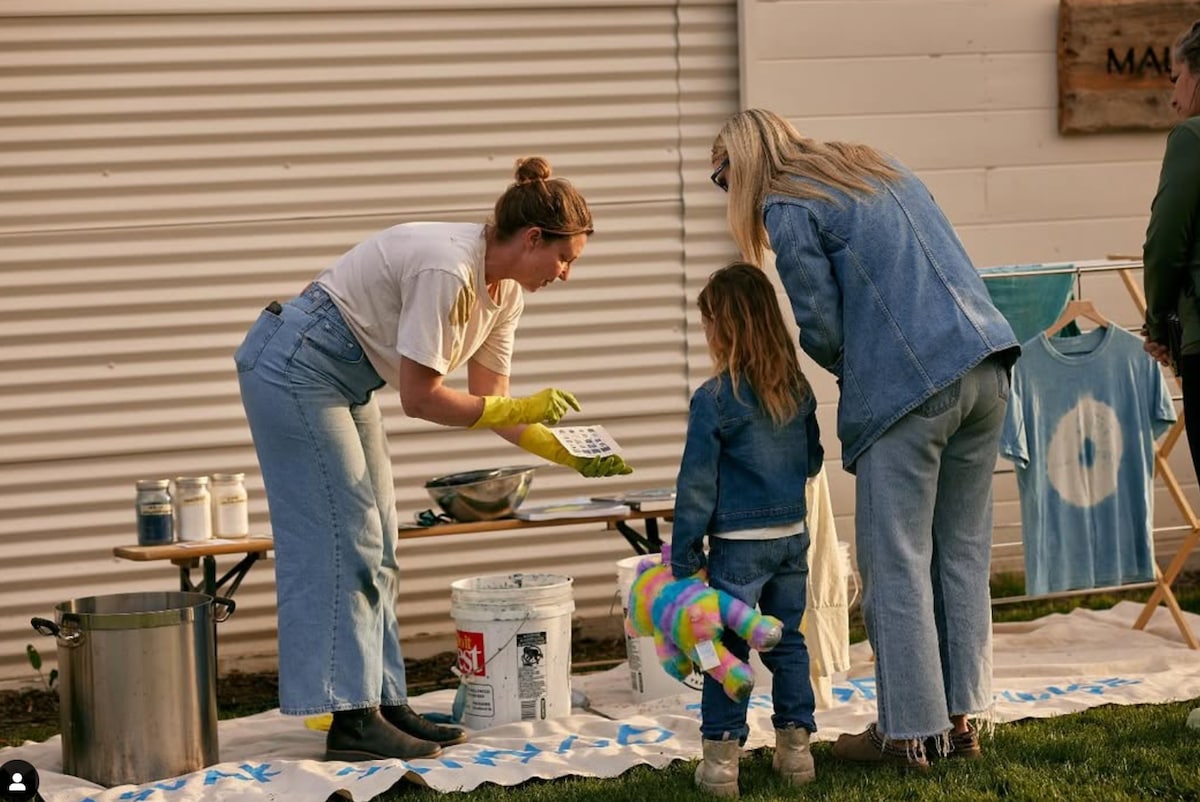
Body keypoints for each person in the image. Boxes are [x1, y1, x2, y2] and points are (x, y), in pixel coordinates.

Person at [234, 156, 632, 762]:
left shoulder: (505, 295)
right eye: (564, 258)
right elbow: (422, 399)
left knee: (380, 544)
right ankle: (351, 721)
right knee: (345, 541)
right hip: (295, 366)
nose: (566, 274)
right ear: (532, 239)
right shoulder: (449, 268)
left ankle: (384, 703)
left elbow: (492, 402)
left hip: (347, 378)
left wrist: (561, 451)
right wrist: (518, 408)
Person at [710, 109, 1019, 769]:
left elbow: (821, 324)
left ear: (743, 164)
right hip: (988, 363)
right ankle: (961, 724)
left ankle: (906, 735)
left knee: (896, 561)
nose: (725, 191)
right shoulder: (872, 165)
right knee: (959, 555)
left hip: (912, 388)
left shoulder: (788, 203)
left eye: (721, 177)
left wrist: (858, 371)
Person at [670, 262, 824, 797]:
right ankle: (797, 754)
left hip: (737, 551)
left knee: (725, 650)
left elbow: (696, 487)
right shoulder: (798, 390)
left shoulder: (713, 398)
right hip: (791, 538)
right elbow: (812, 461)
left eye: (707, 322)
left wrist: (684, 558)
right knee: (788, 641)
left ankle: (721, 766)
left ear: (724, 327)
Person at [1143, 18, 1200, 474]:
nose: (1173, 97)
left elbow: (1165, 244)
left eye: (1176, 78)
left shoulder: (1191, 138)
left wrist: (1158, 323)